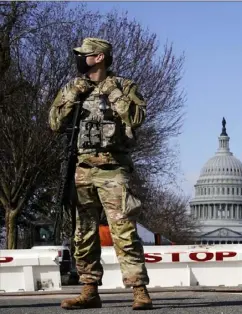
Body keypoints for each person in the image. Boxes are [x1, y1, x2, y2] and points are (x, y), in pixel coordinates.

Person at [49, 37, 152, 310]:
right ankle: (89, 289)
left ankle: (139, 290)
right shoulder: (73, 87)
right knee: (83, 232)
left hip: (113, 168)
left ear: (100, 57)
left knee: (124, 231)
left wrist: (112, 92)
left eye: (86, 54)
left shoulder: (124, 86)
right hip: (81, 168)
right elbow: (54, 122)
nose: (80, 58)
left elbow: (137, 118)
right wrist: (73, 94)